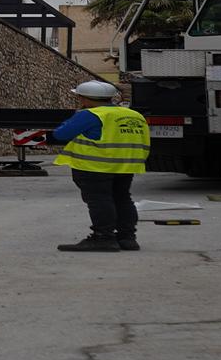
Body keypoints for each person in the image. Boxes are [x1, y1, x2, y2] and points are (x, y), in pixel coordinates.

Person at [45, 79, 151, 253]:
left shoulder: (90, 114)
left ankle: (103, 238)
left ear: (85, 99)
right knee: (122, 198)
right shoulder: (133, 114)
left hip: (95, 166)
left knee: (99, 199)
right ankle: (128, 238)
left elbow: (61, 134)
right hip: (126, 165)